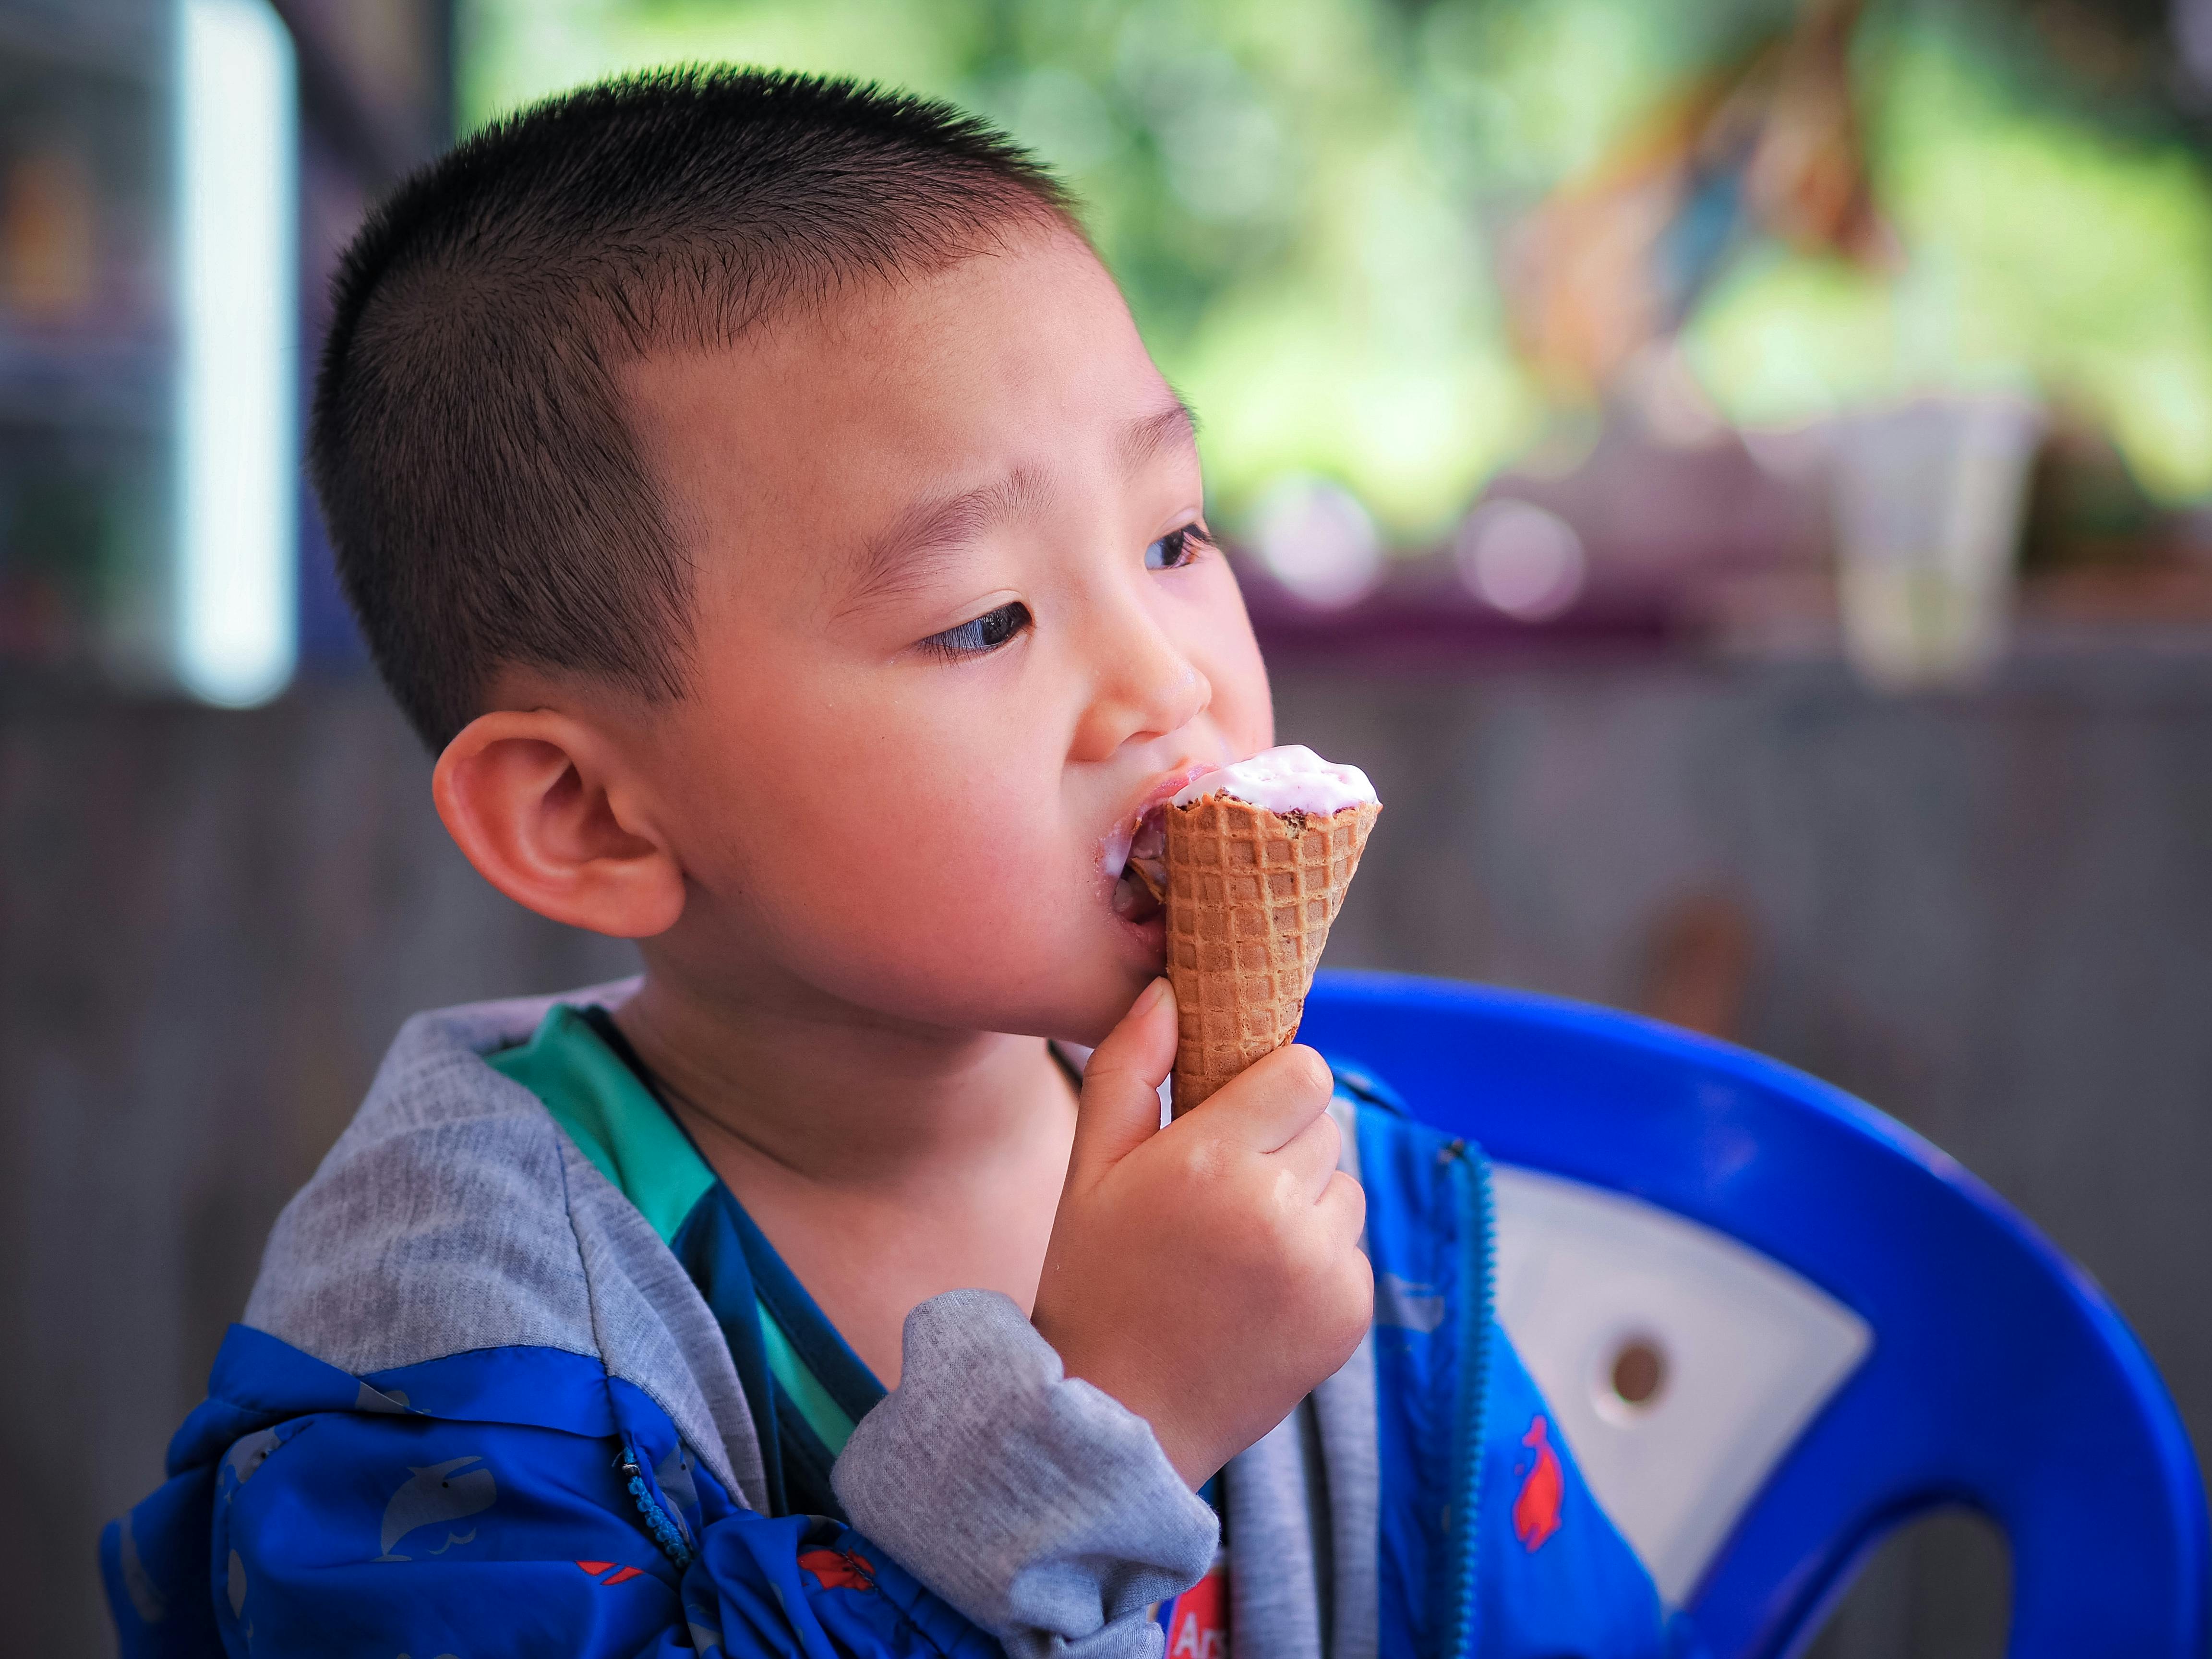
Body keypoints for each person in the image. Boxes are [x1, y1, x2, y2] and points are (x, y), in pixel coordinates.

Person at [102, 70, 1690, 1659]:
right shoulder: (453, 1315)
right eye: (982, 619)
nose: (1166, 681)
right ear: (590, 816)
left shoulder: (1341, 1215)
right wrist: (1104, 1419)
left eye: (1176, 538)